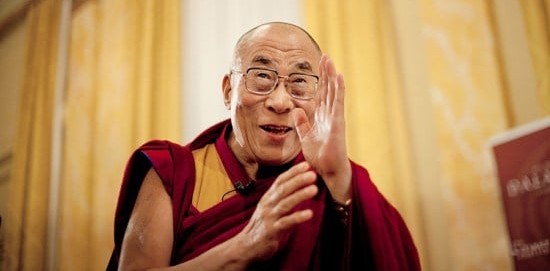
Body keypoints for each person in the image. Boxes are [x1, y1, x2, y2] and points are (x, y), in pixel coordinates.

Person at [107, 22, 421, 270]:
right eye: (261, 76)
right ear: (229, 91)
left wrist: (339, 178)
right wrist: (243, 247)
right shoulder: (173, 171)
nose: (281, 101)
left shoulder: (328, 180)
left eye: (299, 82)